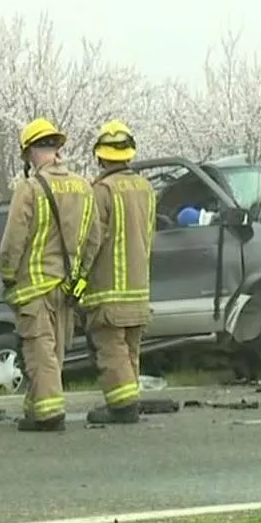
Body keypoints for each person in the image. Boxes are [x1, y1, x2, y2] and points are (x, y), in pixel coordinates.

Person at [0, 117, 101, 433]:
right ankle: (36, 408)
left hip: (34, 288)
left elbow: (14, 239)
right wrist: (80, 277)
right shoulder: (84, 187)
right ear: (56, 148)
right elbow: (94, 238)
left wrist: (8, 274)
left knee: (38, 351)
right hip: (66, 287)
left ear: (30, 153)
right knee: (54, 352)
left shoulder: (30, 189)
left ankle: (47, 414)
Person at [81, 120, 157, 426]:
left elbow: (91, 240)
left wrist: (79, 276)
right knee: (129, 350)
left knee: (111, 348)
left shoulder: (102, 191)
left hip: (108, 289)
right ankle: (131, 399)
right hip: (139, 288)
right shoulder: (146, 188)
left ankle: (123, 407)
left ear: (100, 157)